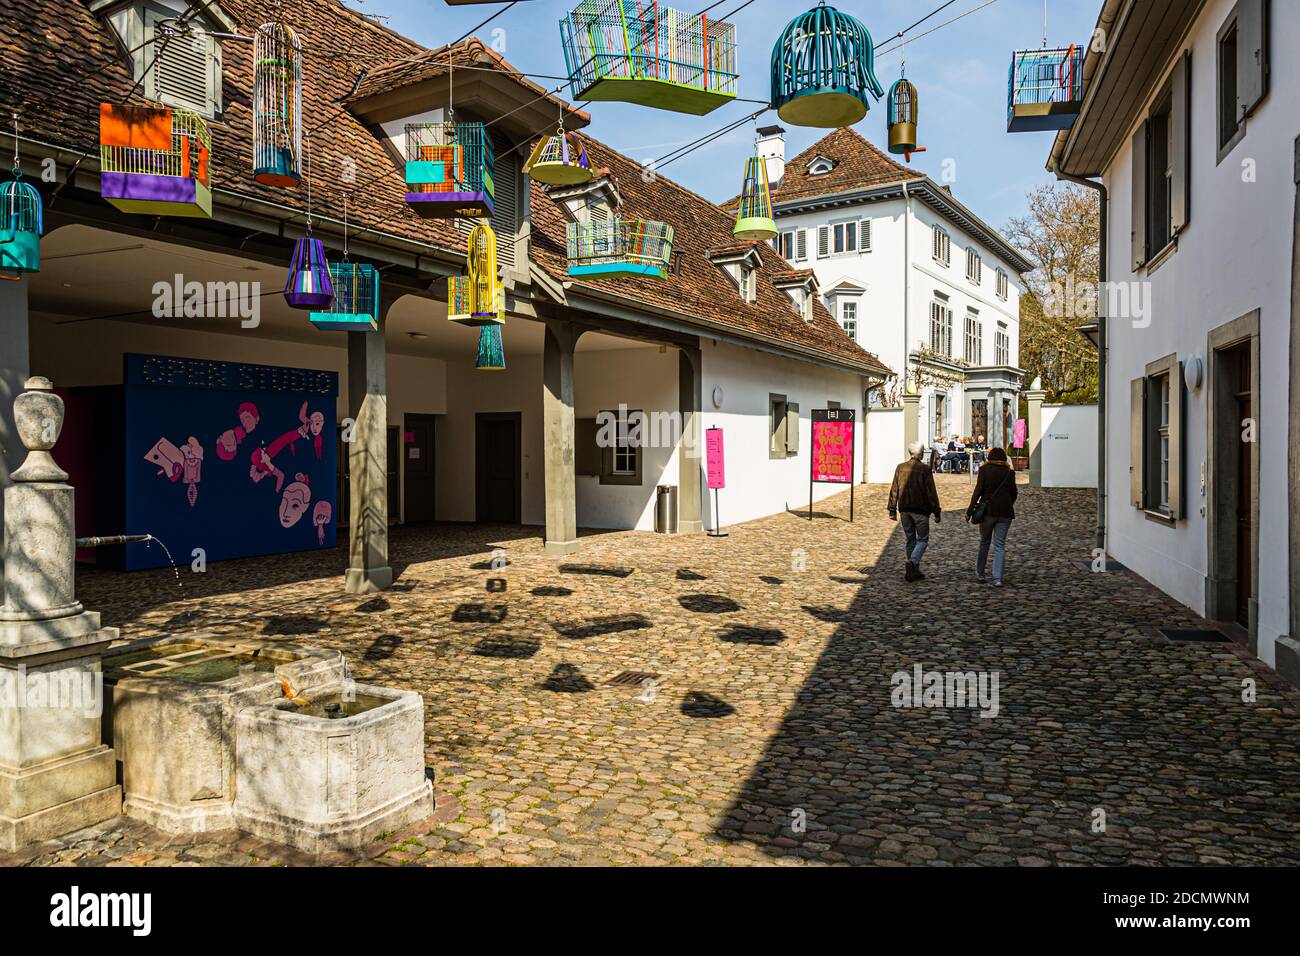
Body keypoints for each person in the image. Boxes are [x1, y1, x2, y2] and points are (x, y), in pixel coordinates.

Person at [884, 440, 942, 581]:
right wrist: (936, 511)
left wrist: (892, 509)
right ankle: (912, 562)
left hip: (904, 510)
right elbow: (931, 492)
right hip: (920, 510)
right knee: (922, 540)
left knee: (910, 539)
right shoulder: (924, 469)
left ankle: (913, 571)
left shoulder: (900, 467)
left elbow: (894, 489)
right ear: (921, 453)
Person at [966, 446, 1018, 586]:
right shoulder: (1009, 472)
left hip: (987, 512)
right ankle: (998, 578)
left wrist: (970, 511)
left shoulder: (984, 471)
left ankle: (980, 573)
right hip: (1005, 513)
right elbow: (1014, 493)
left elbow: (977, 492)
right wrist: (1008, 503)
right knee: (999, 545)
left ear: (989, 458)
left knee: (984, 542)